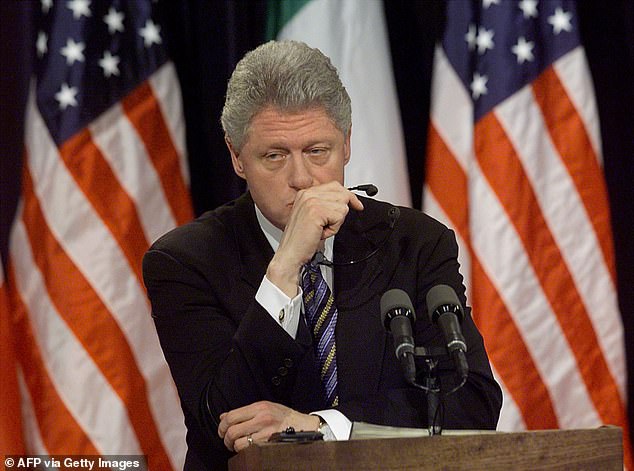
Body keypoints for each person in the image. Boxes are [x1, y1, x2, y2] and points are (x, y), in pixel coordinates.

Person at [142, 40, 502, 470]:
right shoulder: (184, 261)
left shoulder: (415, 241)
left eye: (317, 152)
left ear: (346, 144)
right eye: (274, 156)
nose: (301, 178)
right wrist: (284, 268)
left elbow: (472, 402)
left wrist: (322, 428)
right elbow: (220, 423)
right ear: (237, 157)